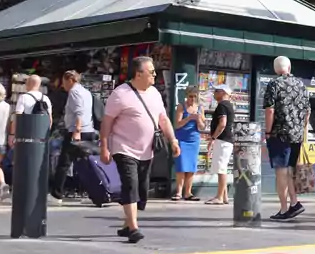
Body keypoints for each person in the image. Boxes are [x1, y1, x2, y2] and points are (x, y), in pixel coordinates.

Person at [100, 57, 181, 243]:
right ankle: (134, 228)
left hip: (147, 149)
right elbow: (107, 122)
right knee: (130, 185)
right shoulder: (120, 94)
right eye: (151, 71)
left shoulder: (154, 93)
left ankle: (127, 223)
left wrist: (173, 140)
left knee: (142, 190)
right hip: (123, 148)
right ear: (138, 74)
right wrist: (104, 146)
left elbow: (163, 119)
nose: (155, 74)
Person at [263, 56, 310, 221]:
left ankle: (283, 209)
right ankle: (295, 203)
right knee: (289, 170)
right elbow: (307, 112)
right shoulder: (301, 85)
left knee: (281, 173)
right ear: (289, 67)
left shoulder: (274, 84)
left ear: (276, 69)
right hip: (296, 135)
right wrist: (300, 130)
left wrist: (267, 132)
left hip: (279, 134)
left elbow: (270, 110)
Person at [49, 71, 96, 203]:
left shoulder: (74, 92)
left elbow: (79, 112)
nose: (63, 85)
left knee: (64, 163)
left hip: (77, 131)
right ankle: (92, 192)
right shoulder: (86, 92)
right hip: (88, 130)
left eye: (64, 82)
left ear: (70, 80)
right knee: (86, 163)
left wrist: (77, 130)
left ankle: (56, 194)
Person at [172, 87, 205, 201]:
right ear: (187, 96)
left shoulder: (200, 108)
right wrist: (189, 118)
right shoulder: (181, 106)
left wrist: (198, 119)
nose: (192, 99)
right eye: (190, 96)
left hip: (194, 140)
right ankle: (178, 192)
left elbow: (202, 127)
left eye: (194, 96)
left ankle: (188, 192)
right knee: (181, 166)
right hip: (182, 139)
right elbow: (177, 124)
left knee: (191, 167)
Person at [206, 84, 236, 205]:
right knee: (221, 167)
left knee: (221, 169)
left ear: (222, 92)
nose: (214, 93)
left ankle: (219, 197)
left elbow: (222, 123)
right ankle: (224, 196)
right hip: (226, 140)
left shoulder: (222, 105)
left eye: (216, 91)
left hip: (223, 140)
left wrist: (213, 137)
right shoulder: (228, 105)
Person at [8, 74, 51, 146]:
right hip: (41, 137)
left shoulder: (23, 97)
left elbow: (18, 117)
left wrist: (12, 134)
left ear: (27, 84)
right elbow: (50, 119)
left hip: (25, 135)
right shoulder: (46, 99)